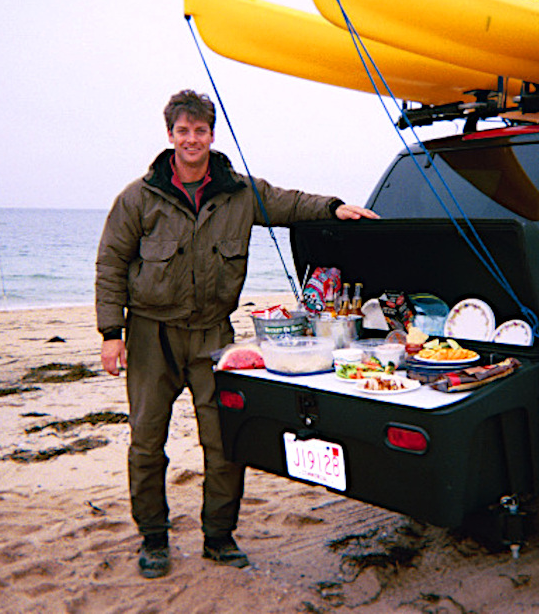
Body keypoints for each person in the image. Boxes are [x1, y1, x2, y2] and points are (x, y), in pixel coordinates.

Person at [95, 89, 378, 579]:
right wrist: (110, 332)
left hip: (212, 335)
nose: (191, 139)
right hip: (149, 336)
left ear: (211, 134)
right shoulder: (138, 198)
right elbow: (111, 263)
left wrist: (335, 208)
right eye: (182, 131)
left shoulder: (240, 192)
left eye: (199, 130)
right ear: (170, 136)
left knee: (225, 442)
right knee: (145, 442)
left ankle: (219, 537)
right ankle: (154, 539)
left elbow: (289, 203)